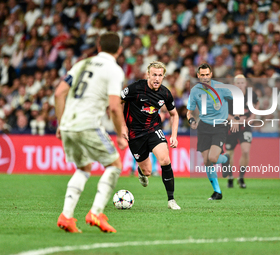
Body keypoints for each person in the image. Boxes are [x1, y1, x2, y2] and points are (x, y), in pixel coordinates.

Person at [55, 32, 128, 233]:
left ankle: (66, 216)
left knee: (83, 167)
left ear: (98, 47)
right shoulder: (114, 70)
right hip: (88, 125)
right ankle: (96, 212)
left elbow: (59, 92)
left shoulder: (81, 64)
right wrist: (121, 133)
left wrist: (61, 124)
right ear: (119, 50)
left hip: (68, 125)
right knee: (114, 165)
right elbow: (114, 106)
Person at [121, 61, 181, 210]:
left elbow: (174, 114)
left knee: (165, 160)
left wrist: (174, 135)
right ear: (148, 74)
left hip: (153, 129)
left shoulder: (165, 93)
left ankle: (171, 200)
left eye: (160, 75)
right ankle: (142, 172)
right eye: (154, 75)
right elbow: (117, 102)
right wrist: (122, 126)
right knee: (147, 171)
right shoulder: (135, 88)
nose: (157, 78)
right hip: (134, 133)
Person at [186, 63, 238, 200]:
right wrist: (191, 120)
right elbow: (189, 111)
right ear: (198, 75)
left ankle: (225, 159)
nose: (204, 77)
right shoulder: (195, 90)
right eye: (202, 75)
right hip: (203, 127)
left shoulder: (221, 88)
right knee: (207, 161)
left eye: (207, 74)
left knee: (213, 158)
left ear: (211, 74)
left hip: (219, 126)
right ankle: (217, 192)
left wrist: (235, 117)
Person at [222, 75, 259, 188]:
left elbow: (256, 103)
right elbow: (223, 112)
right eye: (238, 83)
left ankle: (241, 177)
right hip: (231, 127)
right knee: (229, 153)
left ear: (246, 84)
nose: (240, 85)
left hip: (245, 127)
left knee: (246, 151)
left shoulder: (251, 94)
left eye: (242, 82)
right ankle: (230, 177)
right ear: (234, 85)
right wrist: (235, 120)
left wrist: (252, 116)